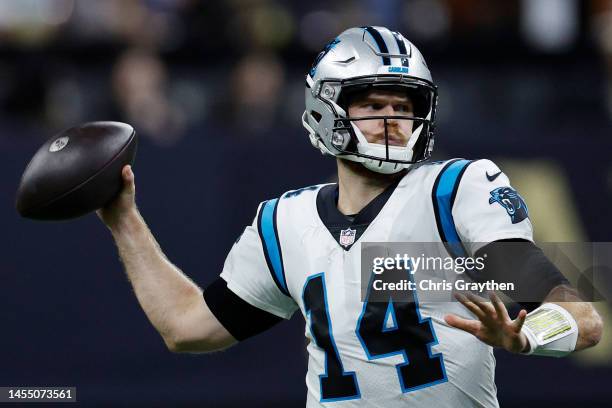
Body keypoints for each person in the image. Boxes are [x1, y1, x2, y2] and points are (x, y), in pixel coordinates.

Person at [98, 26, 603, 407]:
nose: (391, 121)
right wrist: (123, 219)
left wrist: (527, 335)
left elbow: (584, 318)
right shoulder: (284, 222)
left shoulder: (456, 190)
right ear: (325, 109)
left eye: (403, 106)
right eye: (372, 104)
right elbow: (187, 326)